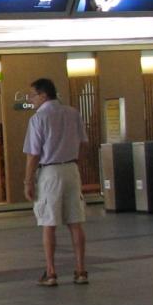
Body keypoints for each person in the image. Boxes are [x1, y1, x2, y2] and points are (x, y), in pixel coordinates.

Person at [23, 79, 89, 287]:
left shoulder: (38, 118)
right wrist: (75, 164)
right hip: (71, 169)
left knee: (48, 223)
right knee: (75, 222)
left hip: (50, 172)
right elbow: (83, 143)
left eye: (32, 95)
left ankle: (51, 272)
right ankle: (81, 271)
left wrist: (28, 181)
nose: (31, 99)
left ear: (43, 95)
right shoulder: (73, 113)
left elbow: (33, 154)